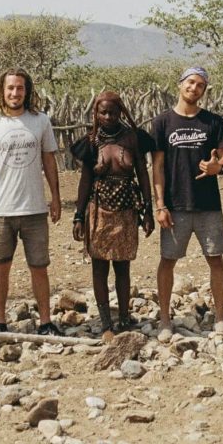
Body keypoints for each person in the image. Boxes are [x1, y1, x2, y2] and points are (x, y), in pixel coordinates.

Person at [0, 69, 63, 336]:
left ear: (27, 90)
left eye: (20, 88)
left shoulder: (40, 121)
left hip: (35, 208)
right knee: (1, 265)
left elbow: (49, 160)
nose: (15, 93)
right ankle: (0, 321)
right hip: (2, 209)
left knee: (39, 266)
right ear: (2, 91)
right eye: (10, 88)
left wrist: (56, 197)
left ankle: (45, 321)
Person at [151, 66, 223, 342]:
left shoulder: (213, 122)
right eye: (190, 82)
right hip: (175, 205)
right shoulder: (162, 122)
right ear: (180, 84)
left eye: (200, 85)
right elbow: (157, 166)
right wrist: (160, 205)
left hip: (208, 204)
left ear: (204, 91)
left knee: (215, 259)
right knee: (167, 261)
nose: (194, 88)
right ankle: (164, 319)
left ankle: (220, 317)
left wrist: (217, 168)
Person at [70, 92, 155, 341]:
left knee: (122, 265)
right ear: (96, 113)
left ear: (121, 112)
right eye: (103, 112)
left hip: (127, 209)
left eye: (113, 112)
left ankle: (125, 318)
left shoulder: (133, 138)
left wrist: (148, 210)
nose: (108, 117)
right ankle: (106, 322)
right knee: (99, 266)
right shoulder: (91, 141)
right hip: (99, 210)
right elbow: (85, 181)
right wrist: (78, 216)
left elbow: (142, 174)